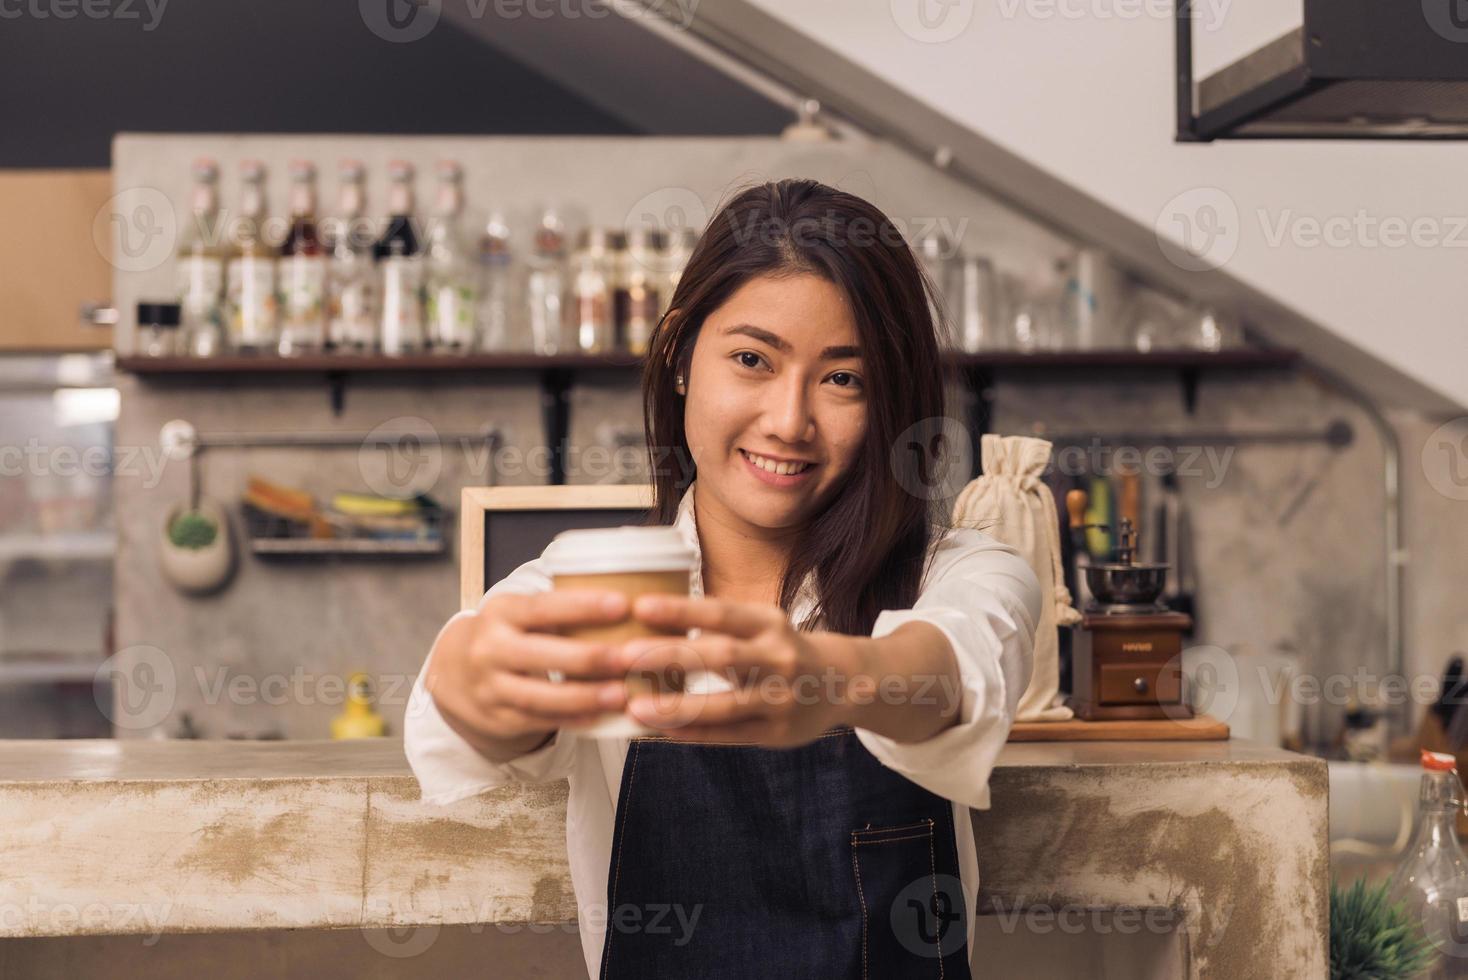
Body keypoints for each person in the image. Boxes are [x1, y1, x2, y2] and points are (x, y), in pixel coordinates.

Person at [405, 178, 1042, 979]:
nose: (788, 420)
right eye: (751, 360)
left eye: (843, 378)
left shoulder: (964, 572)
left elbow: (953, 666)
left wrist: (833, 678)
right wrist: (480, 679)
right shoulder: (594, 588)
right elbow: (467, 702)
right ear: (678, 354)